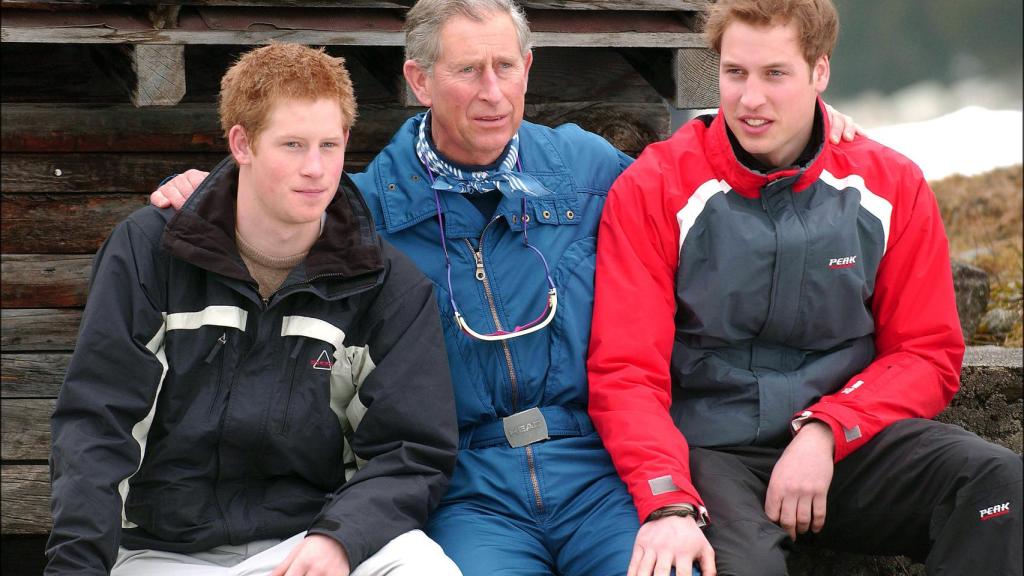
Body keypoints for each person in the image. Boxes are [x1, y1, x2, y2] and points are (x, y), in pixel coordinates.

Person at [149, 2, 861, 574]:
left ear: (528, 67)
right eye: (467, 71)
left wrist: (821, 131)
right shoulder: (367, 208)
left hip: (598, 467)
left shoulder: (585, 168)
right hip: (466, 483)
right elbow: (279, 198)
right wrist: (207, 189)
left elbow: (700, 172)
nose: (492, 92)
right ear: (420, 81)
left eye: (504, 67)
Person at [586, 0, 1024, 575]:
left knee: (1000, 490)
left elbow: (927, 352)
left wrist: (828, 429)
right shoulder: (655, 187)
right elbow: (626, 372)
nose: (750, 98)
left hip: (849, 441)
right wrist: (667, 497)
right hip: (712, 455)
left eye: (775, 74)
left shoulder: (891, 184)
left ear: (820, 72)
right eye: (734, 73)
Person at [46, 43, 460, 576]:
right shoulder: (150, 252)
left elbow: (411, 449)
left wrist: (342, 539)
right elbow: (96, 423)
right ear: (242, 143)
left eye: (328, 145)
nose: (315, 169)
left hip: (314, 540)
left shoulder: (387, 284)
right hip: (162, 550)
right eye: (292, 145)